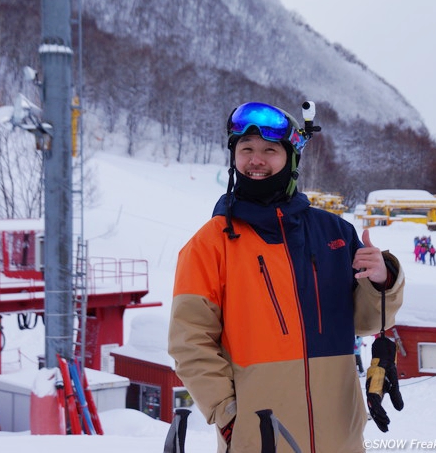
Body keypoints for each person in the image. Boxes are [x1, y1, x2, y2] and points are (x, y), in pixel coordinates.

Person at [168, 102, 405, 452]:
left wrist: (382, 280)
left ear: (291, 158)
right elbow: (189, 342)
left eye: (269, 150)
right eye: (245, 149)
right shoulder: (209, 245)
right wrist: (231, 415)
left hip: (340, 438)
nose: (256, 160)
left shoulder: (335, 233)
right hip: (258, 440)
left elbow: (366, 322)